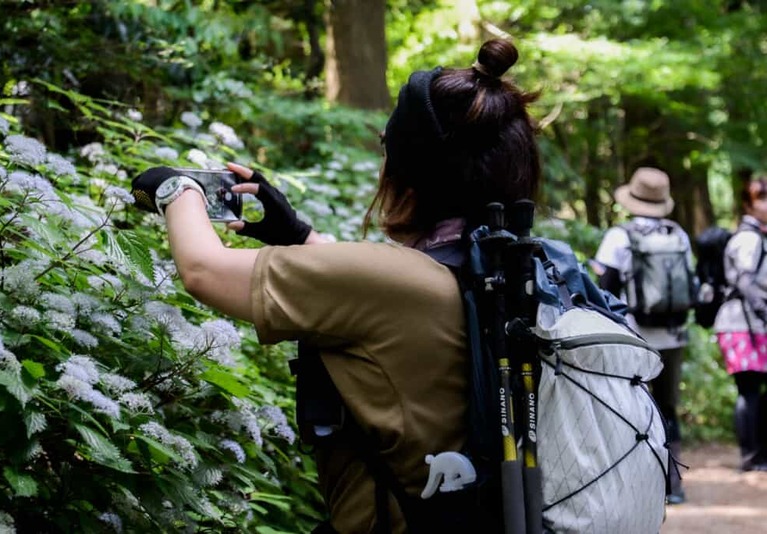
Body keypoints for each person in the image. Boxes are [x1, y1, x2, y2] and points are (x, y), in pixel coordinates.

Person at [131, 39, 541, 533]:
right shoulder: (509, 271)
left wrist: (179, 191)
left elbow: (203, 269)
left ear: (410, 169)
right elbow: (385, 292)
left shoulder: (395, 281)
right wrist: (299, 236)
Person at [592, 167, 694, 505]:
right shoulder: (677, 234)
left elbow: (605, 290)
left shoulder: (619, 236)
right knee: (668, 407)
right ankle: (674, 485)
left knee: (633, 408)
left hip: (635, 337)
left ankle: (639, 486)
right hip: (673, 335)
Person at [713, 176, 767, 473]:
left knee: (755, 391)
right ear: (748, 203)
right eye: (762, 198)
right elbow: (745, 281)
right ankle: (750, 456)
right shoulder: (749, 238)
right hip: (741, 323)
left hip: (751, 323)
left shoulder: (757, 235)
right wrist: (762, 310)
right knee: (748, 389)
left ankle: (758, 455)